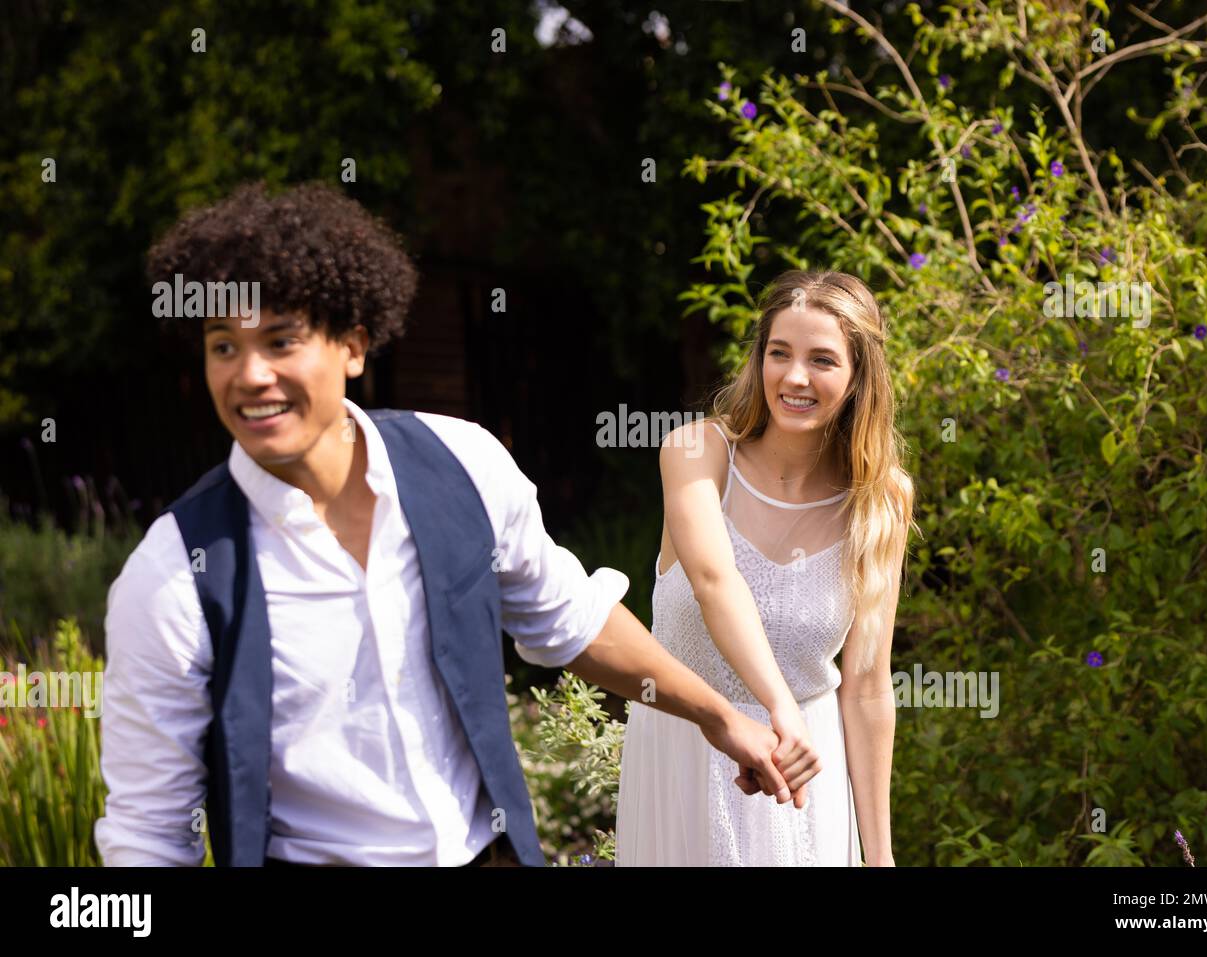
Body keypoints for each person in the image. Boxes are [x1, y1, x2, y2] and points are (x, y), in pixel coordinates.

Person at [94, 181, 804, 868]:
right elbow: (150, 833)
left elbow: (570, 618)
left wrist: (718, 715)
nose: (248, 373)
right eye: (224, 345)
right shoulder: (173, 575)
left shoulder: (460, 463)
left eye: (281, 341)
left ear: (353, 345)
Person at [615, 270, 916, 866]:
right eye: (779, 353)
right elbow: (713, 582)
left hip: (803, 781)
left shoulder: (881, 500)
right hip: (686, 755)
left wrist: (880, 859)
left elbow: (866, 687)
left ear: (860, 377)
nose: (795, 377)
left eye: (823, 359)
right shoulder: (697, 453)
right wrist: (780, 706)